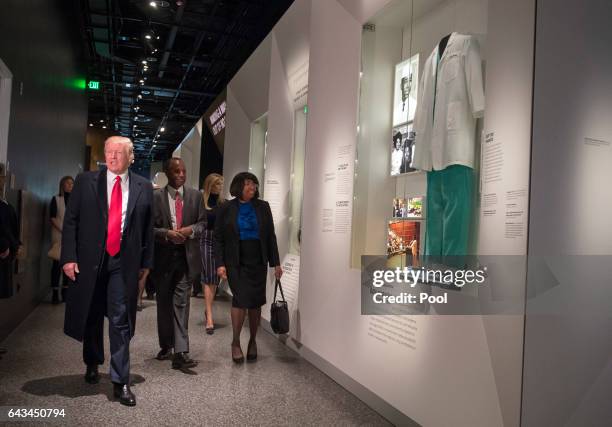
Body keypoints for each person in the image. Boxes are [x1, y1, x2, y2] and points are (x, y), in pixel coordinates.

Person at [61, 136, 153, 407]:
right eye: (108, 152)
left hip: (122, 262)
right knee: (91, 314)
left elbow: (147, 228)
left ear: (130, 156)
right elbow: (71, 222)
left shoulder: (143, 187)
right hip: (91, 259)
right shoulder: (85, 181)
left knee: (120, 319)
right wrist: (69, 258)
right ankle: (92, 361)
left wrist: (145, 264)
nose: (112, 157)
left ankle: (120, 381)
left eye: (118, 152)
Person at [214, 172, 282, 363]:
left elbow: (270, 236)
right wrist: (220, 264)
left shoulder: (263, 207)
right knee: (240, 300)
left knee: (255, 303)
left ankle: (252, 341)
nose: (252, 187)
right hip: (236, 262)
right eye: (248, 184)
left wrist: (276, 262)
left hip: (258, 261)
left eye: (254, 184)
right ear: (238, 187)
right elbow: (218, 238)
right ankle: (235, 342)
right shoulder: (226, 208)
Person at [152, 158, 205, 369]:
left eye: (183, 171)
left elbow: (203, 223)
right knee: (164, 304)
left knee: (182, 303)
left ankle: (181, 351)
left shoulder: (195, 196)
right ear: (167, 172)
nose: (181, 174)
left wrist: (190, 230)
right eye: (176, 171)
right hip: (163, 258)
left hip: (186, 257)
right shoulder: (155, 197)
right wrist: (167, 234)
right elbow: (146, 228)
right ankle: (166, 345)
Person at [200, 173, 225, 334]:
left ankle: (207, 309)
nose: (220, 187)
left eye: (221, 184)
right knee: (209, 277)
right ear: (210, 185)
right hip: (205, 239)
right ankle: (209, 316)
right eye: (217, 184)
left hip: (219, 241)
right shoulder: (201, 201)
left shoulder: (224, 203)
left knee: (215, 278)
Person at [49, 176, 74, 304]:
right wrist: (63, 230)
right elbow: (52, 218)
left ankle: (65, 293)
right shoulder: (56, 199)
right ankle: (54, 293)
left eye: (72, 183)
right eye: (67, 183)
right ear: (62, 185)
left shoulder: (76, 201)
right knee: (56, 265)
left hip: (71, 238)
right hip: (58, 236)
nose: (70, 185)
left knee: (68, 264)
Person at [0, 163, 20, 300]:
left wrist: (16, 244)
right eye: (2, 176)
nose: (4, 180)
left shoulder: (3, 200)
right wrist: (3, 245)